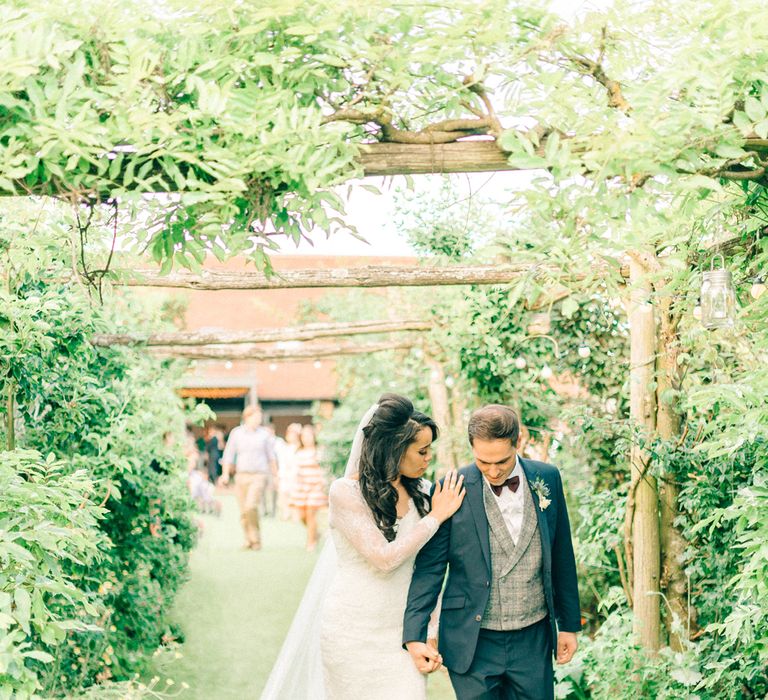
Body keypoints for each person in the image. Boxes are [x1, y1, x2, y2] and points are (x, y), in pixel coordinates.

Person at [260, 394, 466, 700]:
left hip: (402, 633)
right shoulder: (346, 493)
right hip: (352, 631)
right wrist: (436, 516)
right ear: (394, 448)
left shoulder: (424, 492)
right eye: (422, 451)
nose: (428, 458)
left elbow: (430, 569)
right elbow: (384, 558)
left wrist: (429, 629)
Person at [403, 405, 581, 700]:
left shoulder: (547, 478)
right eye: (483, 462)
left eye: (502, 461)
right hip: (472, 642)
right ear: (471, 447)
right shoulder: (450, 488)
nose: (494, 471)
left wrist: (569, 625)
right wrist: (414, 634)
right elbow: (430, 568)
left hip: (533, 638)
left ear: (518, 441)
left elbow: (562, 554)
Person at [221, 404, 277, 551]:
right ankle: (248, 539)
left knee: (251, 505)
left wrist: (276, 476)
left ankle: (256, 539)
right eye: (256, 417)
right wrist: (225, 474)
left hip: (259, 475)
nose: (259, 419)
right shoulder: (236, 433)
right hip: (241, 475)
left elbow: (271, 457)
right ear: (247, 417)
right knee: (244, 511)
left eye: (260, 417)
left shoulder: (264, 434)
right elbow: (228, 455)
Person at [289, 424, 328, 551]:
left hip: (316, 487)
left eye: (309, 435)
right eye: (304, 436)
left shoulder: (319, 451)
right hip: (302, 487)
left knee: (311, 513)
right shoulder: (298, 452)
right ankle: (314, 533)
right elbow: (295, 472)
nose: (306, 438)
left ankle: (311, 542)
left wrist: (322, 484)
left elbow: (325, 470)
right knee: (302, 515)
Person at [276, 422, 302, 520]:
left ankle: (296, 515)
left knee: (295, 496)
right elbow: (282, 463)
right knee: (284, 494)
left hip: (297, 476)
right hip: (285, 476)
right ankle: (286, 513)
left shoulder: (300, 448)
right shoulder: (285, 447)